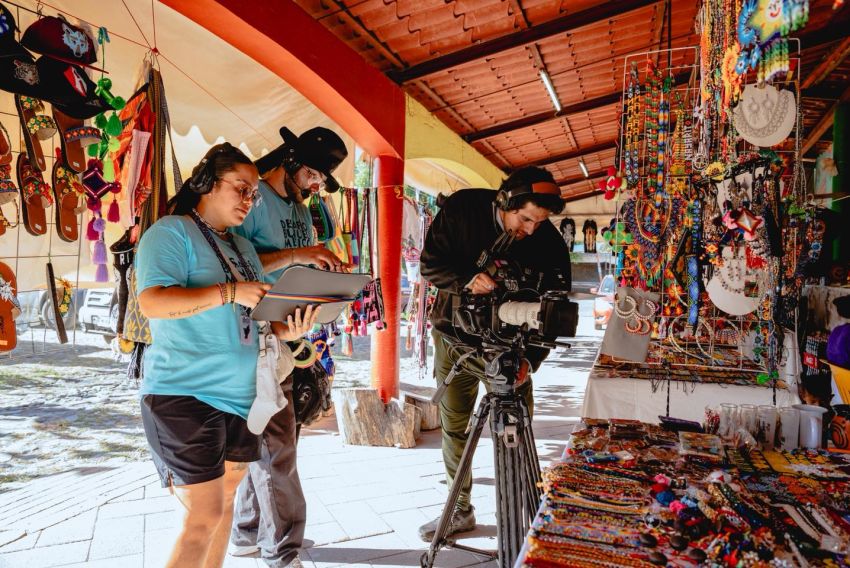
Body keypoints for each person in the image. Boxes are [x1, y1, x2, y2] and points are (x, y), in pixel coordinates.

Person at [135, 143, 319, 568]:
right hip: (185, 393)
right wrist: (228, 291)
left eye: (253, 193)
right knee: (205, 514)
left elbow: (253, 318)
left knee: (227, 505)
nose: (249, 200)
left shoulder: (242, 248)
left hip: (242, 398)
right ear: (207, 184)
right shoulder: (170, 232)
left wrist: (288, 330)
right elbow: (153, 303)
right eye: (241, 188)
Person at [417, 166, 571, 541]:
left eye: (540, 221)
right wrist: (468, 279)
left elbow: (555, 310)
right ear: (505, 201)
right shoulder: (461, 210)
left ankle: (526, 513)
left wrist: (529, 364)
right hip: (452, 338)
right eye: (525, 219)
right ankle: (458, 510)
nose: (531, 229)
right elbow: (429, 264)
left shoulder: (548, 242)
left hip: (511, 351)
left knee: (516, 431)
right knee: (455, 428)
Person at [229, 126, 348, 568]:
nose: (319, 186)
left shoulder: (301, 207)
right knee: (277, 448)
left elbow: (298, 258)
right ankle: (282, 552)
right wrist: (300, 257)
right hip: (253, 335)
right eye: (315, 174)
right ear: (292, 160)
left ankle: (246, 532)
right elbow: (237, 262)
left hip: (288, 331)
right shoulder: (254, 199)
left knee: (264, 442)